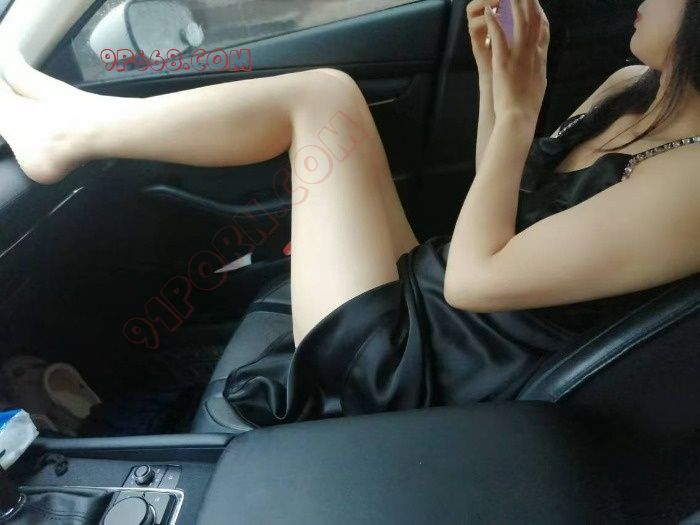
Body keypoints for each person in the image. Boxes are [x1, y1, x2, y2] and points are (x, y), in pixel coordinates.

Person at [0, 0, 697, 427]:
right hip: (437, 303)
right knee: (330, 98)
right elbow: (501, 202)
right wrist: (499, 79)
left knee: (320, 100)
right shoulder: (635, 88)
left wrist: (519, 112)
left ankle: (64, 136)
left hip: (420, 373)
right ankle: (70, 113)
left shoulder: (691, 183)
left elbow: (475, 278)